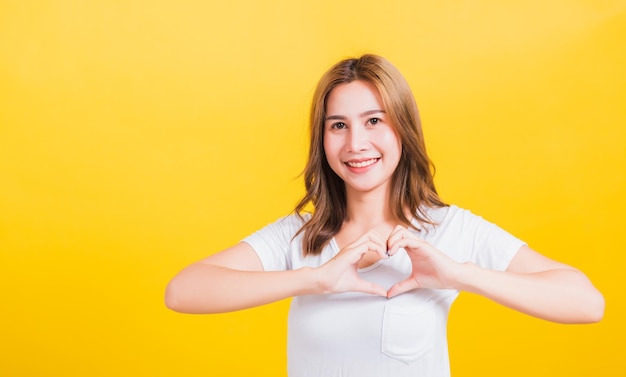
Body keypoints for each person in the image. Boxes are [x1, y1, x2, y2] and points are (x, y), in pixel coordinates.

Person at [165, 54, 604, 376]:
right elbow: (183, 292)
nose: (355, 143)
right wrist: (316, 280)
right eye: (339, 125)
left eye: (374, 121)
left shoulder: (448, 230)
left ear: (403, 129)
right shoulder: (301, 236)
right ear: (323, 140)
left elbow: (587, 302)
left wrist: (459, 275)